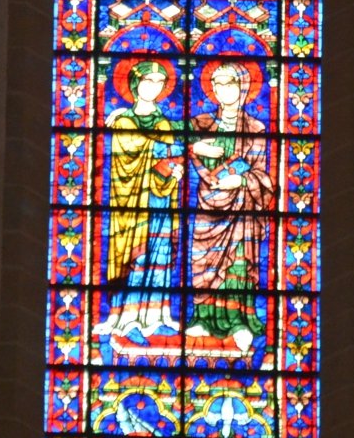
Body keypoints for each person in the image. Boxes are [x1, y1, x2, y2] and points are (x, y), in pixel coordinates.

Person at [187, 63, 274, 355]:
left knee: (238, 264)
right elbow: (177, 154)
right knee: (204, 262)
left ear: (244, 88)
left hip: (242, 208)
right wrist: (194, 149)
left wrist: (242, 179)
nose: (226, 90)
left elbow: (264, 177)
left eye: (231, 84)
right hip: (207, 204)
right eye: (219, 84)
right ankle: (202, 318)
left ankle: (238, 321)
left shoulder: (256, 129)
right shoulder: (199, 125)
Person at [97, 61, 184, 343]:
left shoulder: (163, 123)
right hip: (129, 206)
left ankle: (157, 313)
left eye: (160, 83)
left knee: (158, 252)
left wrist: (175, 168)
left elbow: (168, 156)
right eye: (148, 81)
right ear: (134, 84)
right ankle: (122, 314)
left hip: (159, 202)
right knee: (132, 257)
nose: (154, 87)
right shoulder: (122, 122)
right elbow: (127, 158)